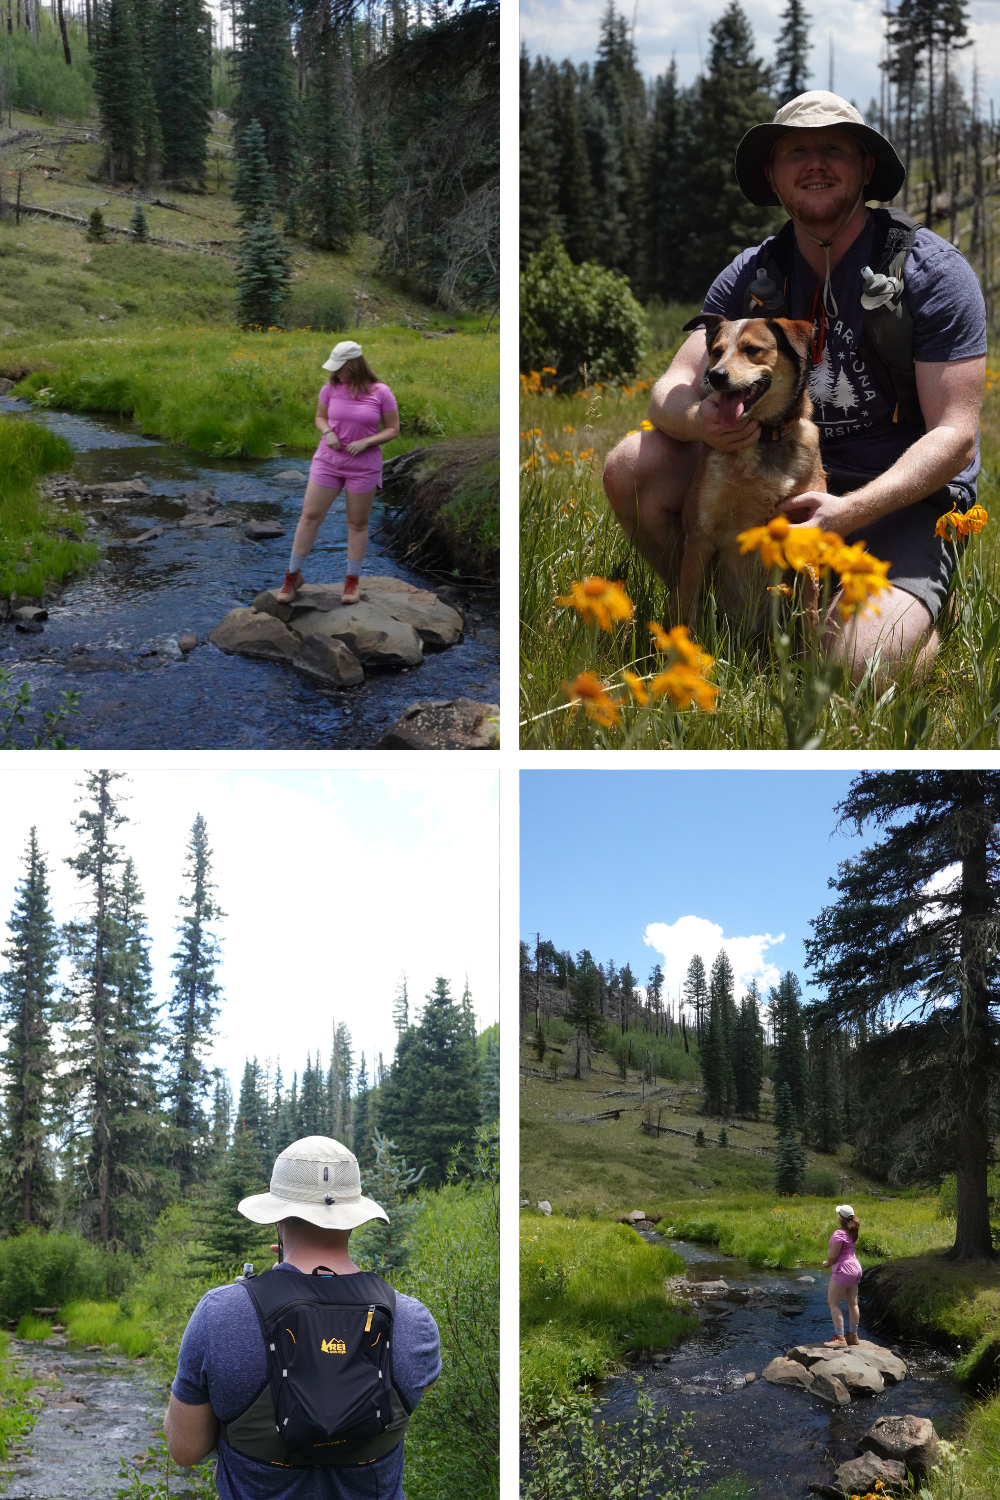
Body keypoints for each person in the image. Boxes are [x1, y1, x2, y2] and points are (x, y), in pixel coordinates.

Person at [603, 91, 986, 686]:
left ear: (864, 168)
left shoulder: (931, 273)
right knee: (633, 462)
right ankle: (716, 622)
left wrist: (847, 512)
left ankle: (918, 612)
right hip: (775, 487)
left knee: (855, 667)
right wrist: (699, 420)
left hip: (902, 504)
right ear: (772, 177)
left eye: (834, 149)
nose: (815, 164)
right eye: (796, 152)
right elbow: (671, 388)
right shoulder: (754, 272)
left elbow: (957, 435)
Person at [164, 1135, 440, 1499]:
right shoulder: (413, 1320)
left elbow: (185, 1452)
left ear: (277, 1218)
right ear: (352, 1218)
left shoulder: (221, 1314)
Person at [277, 342, 400, 607]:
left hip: (364, 466)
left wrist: (368, 442)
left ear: (353, 365)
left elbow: (393, 429)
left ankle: (351, 581)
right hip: (328, 461)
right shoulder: (330, 388)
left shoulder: (381, 393)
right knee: (310, 515)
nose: (336, 372)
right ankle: (292, 576)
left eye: (340, 368)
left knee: (357, 523)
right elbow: (320, 418)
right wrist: (328, 432)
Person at [821, 1203, 863, 1346]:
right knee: (853, 1303)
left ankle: (839, 1339)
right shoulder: (852, 1231)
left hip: (844, 1269)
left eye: (838, 1214)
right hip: (855, 1267)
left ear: (840, 1218)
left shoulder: (839, 1234)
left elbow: (833, 1256)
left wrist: (827, 1264)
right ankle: (853, 1336)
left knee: (833, 1303)